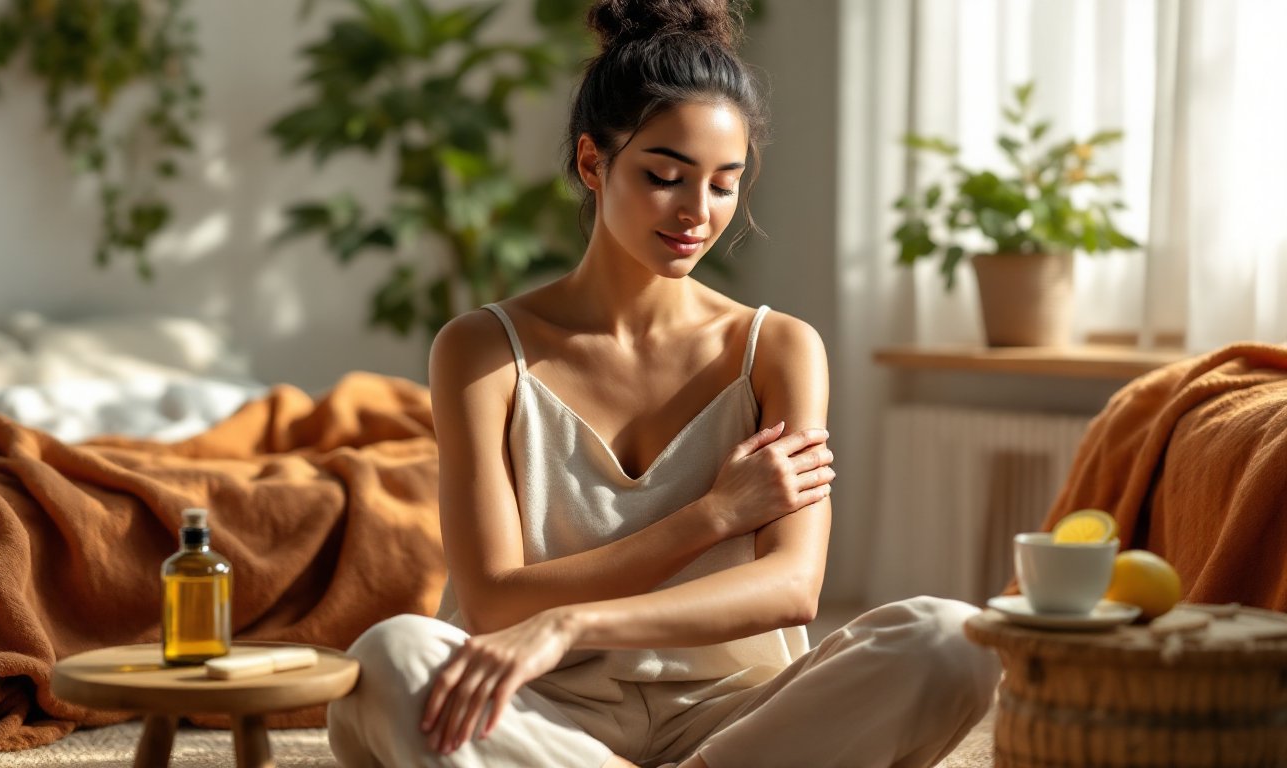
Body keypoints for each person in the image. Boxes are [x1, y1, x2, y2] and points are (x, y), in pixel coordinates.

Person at [327, 1, 1000, 766]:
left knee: (952, 639)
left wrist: (574, 621)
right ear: (592, 163)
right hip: (544, 711)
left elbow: (790, 586)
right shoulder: (482, 351)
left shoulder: (776, 349)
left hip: (736, 720)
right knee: (393, 656)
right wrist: (713, 515)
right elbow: (493, 602)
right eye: (665, 176)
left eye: (723, 184)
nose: (697, 213)